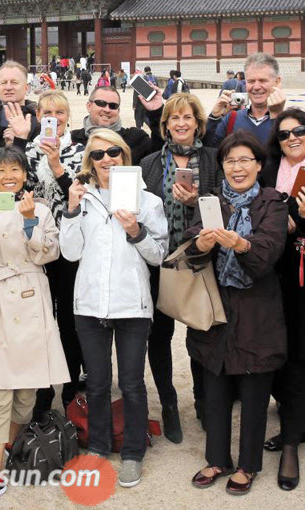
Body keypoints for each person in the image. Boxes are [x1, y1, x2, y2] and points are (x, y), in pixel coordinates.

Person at [60, 130, 168, 487]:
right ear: (90, 163)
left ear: (125, 157)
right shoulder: (83, 198)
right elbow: (70, 252)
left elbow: (158, 254)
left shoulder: (148, 201)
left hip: (131, 305)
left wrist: (135, 229)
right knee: (98, 384)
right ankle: (99, 447)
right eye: (98, 155)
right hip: (89, 304)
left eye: (114, 153)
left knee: (133, 383)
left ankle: (134, 452)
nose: (107, 160)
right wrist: (72, 210)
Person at [0, 146, 70, 509]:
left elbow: (50, 253)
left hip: (31, 295)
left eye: (16, 170)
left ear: (25, 174)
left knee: (26, 396)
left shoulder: (38, 208)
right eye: (1, 170)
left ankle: (10, 444)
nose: (9, 176)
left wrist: (28, 224)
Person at [186, 131, 287, 496]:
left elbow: (267, 252)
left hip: (257, 310)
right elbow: (192, 244)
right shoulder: (212, 202)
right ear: (222, 167)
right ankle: (217, 459)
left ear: (259, 165)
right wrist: (201, 242)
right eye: (230, 160)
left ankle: (247, 465)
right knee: (215, 385)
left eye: (245, 159)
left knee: (254, 388)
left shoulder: (273, 202)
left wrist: (241, 244)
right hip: (216, 308)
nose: (237, 167)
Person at [140, 93, 222, 441]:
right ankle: (169, 404)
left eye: (187, 117)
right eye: (174, 118)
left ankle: (204, 401)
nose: (181, 124)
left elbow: (223, 206)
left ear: (198, 122)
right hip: (160, 260)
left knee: (201, 331)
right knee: (159, 336)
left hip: (197, 257)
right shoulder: (149, 164)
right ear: (166, 124)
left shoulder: (213, 159)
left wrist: (198, 203)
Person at [24, 91, 85, 416]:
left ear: (67, 116)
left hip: (70, 245)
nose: (54, 117)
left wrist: (57, 164)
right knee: (41, 319)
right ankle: (43, 389)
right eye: (47, 111)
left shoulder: (80, 150)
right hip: (39, 245)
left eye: (60, 112)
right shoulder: (27, 152)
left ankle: (71, 387)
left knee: (69, 322)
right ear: (38, 116)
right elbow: (24, 193)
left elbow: (79, 195)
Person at [262, 109, 305, 490]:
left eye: (299, 131)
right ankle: (297, 423)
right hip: (274, 271)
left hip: (302, 275)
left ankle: (291, 442)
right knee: (276, 352)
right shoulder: (271, 170)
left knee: (296, 357)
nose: (292, 138)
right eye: (284, 134)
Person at [204, 53, 286, 148]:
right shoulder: (231, 119)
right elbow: (208, 149)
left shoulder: (293, 121)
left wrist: (277, 116)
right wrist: (214, 117)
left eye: (263, 81)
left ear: (277, 81)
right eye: (251, 81)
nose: (256, 87)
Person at [71, 86, 157, 164]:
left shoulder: (137, 139)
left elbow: (160, 155)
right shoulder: (72, 140)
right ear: (89, 106)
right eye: (101, 103)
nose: (107, 110)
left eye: (113, 106)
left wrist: (156, 112)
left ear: (118, 111)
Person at [0, 61, 38, 147]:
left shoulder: (36, 120)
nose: (8, 87)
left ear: (26, 88)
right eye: (4, 83)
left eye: (14, 82)